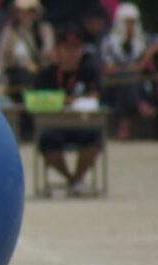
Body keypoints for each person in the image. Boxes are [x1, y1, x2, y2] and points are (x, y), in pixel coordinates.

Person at [36, 27, 103, 197]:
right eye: (67, 48)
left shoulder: (89, 72)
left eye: (76, 48)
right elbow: (38, 99)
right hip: (56, 125)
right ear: (58, 50)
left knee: (96, 138)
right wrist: (60, 100)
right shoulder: (47, 75)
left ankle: (77, 178)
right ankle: (72, 179)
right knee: (46, 141)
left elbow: (95, 95)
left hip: (82, 123)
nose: (72, 53)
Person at [101, 2, 158, 140]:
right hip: (114, 84)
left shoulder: (141, 40)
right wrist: (136, 67)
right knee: (127, 78)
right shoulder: (109, 42)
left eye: (133, 22)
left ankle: (126, 122)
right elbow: (109, 68)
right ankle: (139, 104)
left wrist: (150, 51)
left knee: (130, 81)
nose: (131, 26)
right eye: (128, 22)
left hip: (136, 86)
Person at [0, 0, 55, 102]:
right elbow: (2, 58)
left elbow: (48, 54)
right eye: (21, 11)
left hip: (39, 79)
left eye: (29, 11)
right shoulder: (10, 31)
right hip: (15, 78)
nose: (25, 15)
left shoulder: (44, 30)